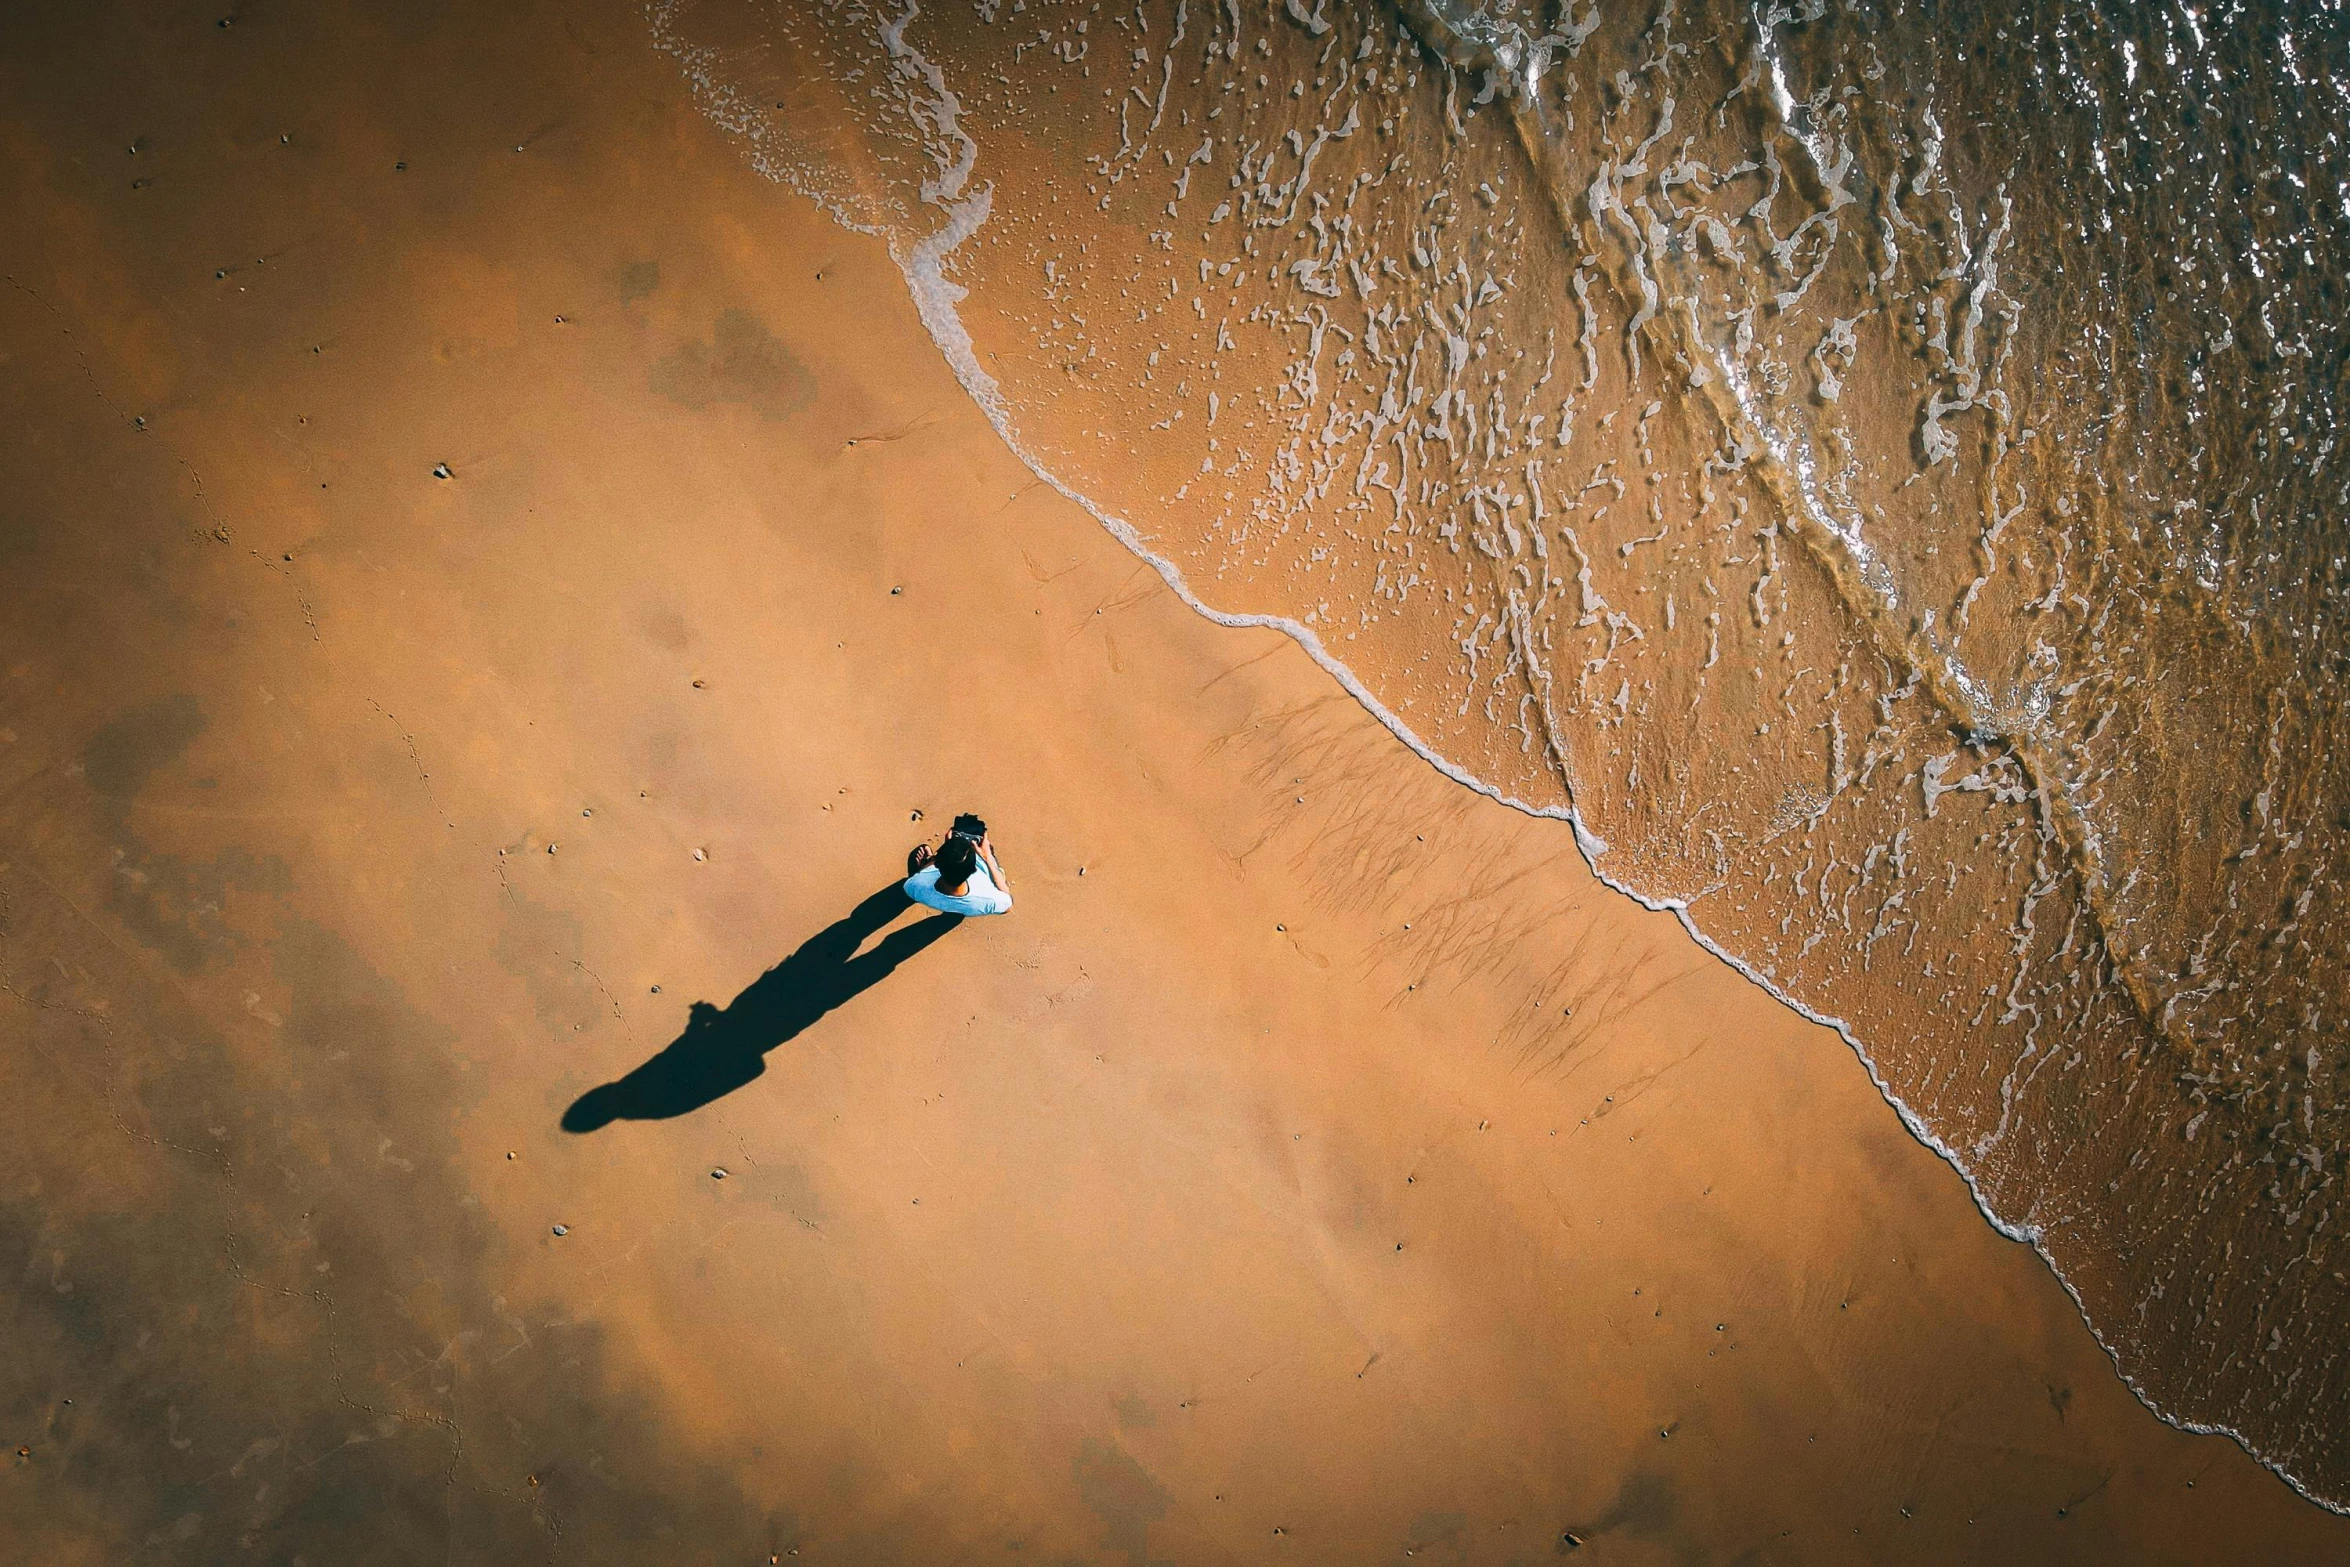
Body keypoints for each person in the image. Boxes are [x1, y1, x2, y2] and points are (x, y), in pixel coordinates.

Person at [904, 820, 1013, 916]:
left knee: (921, 874)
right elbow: (1007, 907)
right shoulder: (987, 899)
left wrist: (946, 852)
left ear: (937, 864)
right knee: (997, 871)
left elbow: (909, 886)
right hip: (970, 906)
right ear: (974, 870)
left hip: (931, 895)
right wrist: (987, 857)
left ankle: (926, 863)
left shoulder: (913, 886)